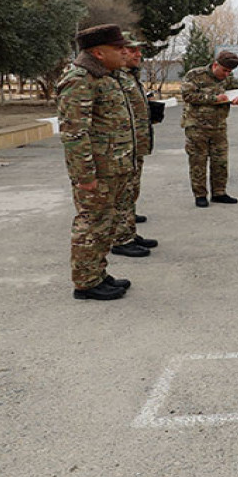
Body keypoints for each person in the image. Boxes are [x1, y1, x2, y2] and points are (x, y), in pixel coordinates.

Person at [57, 24, 137, 301]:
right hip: (97, 171)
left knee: (106, 223)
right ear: (98, 53)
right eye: (118, 48)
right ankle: (86, 282)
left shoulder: (105, 76)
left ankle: (97, 273)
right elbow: (74, 132)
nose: (124, 52)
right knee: (91, 223)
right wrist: (85, 175)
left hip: (113, 167)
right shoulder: (79, 79)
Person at [110, 33, 158, 258]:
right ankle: (121, 238)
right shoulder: (116, 76)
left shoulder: (130, 75)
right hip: (122, 146)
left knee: (131, 190)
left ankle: (129, 231)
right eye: (134, 50)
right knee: (123, 192)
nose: (139, 55)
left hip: (136, 143)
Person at [181, 50, 238, 207]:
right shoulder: (195, 75)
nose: (226, 74)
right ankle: (200, 195)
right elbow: (187, 95)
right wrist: (213, 99)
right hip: (196, 126)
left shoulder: (228, 78)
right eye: (224, 70)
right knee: (198, 161)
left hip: (218, 127)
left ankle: (219, 193)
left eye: (229, 71)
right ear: (215, 65)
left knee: (220, 161)